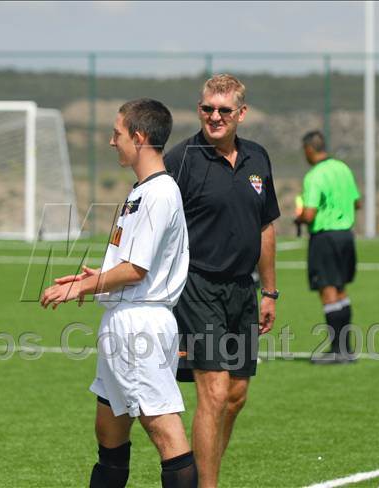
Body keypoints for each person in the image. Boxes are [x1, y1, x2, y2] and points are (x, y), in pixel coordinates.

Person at [41, 99, 197, 487]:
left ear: (139, 137)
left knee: (165, 431)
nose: (112, 141)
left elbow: (136, 270)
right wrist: (100, 278)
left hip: (140, 325)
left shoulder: (159, 193)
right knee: (109, 432)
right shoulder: (141, 190)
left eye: (117, 133)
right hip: (124, 319)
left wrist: (82, 286)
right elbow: (133, 265)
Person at [164, 74, 280, 488]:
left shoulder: (257, 158)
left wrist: (269, 291)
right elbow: (152, 219)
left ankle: (199, 477)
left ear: (241, 114)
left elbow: (265, 226)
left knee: (234, 396)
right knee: (213, 392)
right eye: (207, 108)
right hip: (197, 288)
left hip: (243, 291)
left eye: (224, 110)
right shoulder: (181, 160)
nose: (214, 116)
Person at [295, 130, 360, 363]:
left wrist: (299, 217)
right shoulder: (343, 169)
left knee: (328, 290)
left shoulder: (314, 175)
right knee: (341, 289)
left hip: (325, 237)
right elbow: (357, 202)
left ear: (309, 149)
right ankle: (346, 349)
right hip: (346, 236)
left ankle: (336, 350)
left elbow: (309, 214)